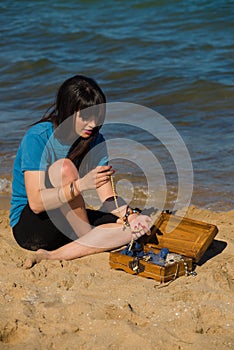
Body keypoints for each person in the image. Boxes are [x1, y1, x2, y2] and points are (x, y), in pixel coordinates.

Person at [10, 74, 152, 267]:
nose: (92, 124)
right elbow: (36, 203)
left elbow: (108, 197)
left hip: (69, 219)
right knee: (64, 168)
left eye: (97, 117)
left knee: (139, 225)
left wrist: (131, 216)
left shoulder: (95, 140)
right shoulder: (38, 137)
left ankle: (52, 255)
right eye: (85, 117)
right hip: (32, 225)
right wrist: (81, 185)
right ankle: (90, 237)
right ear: (68, 111)